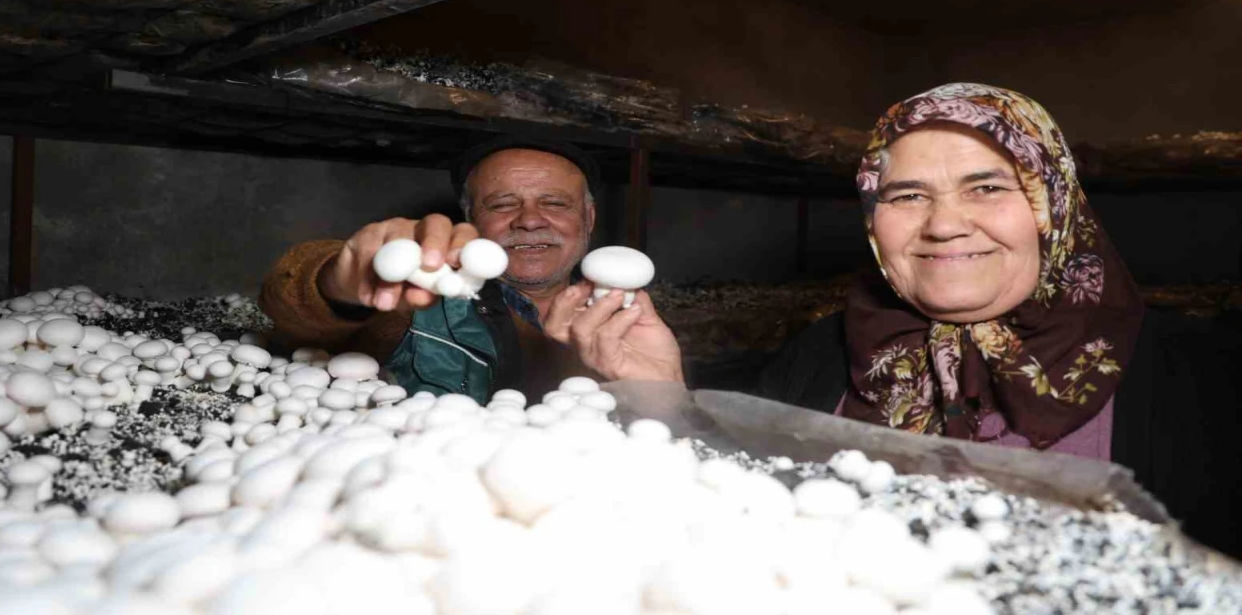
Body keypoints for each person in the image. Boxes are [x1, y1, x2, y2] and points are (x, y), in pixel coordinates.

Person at [566, 83, 1240, 557]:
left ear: (1054, 206)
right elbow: (736, 516)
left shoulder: (1200, 376)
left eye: (988, 187)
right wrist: (659, 392)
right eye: (908, 195)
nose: (944, 225)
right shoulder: (826, 351)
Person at [259, 137, 683, 405]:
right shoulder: (417, 306)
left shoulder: (628, 321)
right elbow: (296, 308)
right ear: (471, 218)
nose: (530, 220)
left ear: (588, 218)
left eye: (555, 203)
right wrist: (340, 281)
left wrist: (666, 394)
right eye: (502, 204)